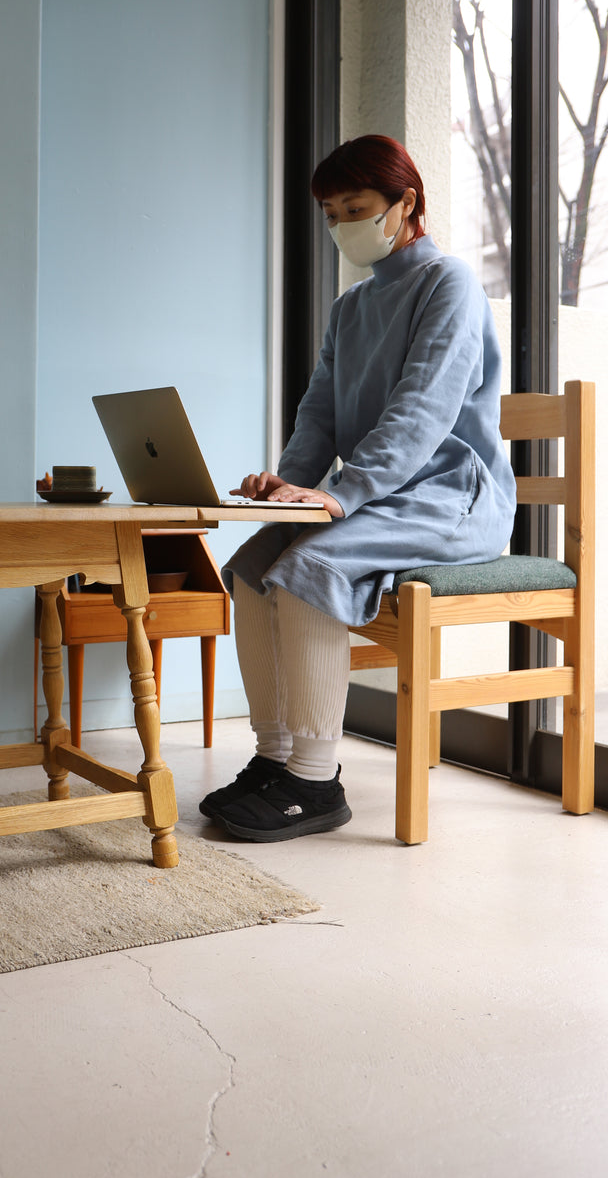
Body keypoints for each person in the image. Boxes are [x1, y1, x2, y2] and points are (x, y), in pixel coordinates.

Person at [201, 133, 517, 842]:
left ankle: (313, 782)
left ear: (405, 204)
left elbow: (423, 410)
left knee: (310, 564)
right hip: (382, 494)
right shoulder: (350, 309)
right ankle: (273, 757)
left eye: (356, 206)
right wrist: (289, 483)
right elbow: (319, 413)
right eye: (331, 210)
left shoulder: (449, 284)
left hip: (453, 496)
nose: (342, 222)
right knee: (251, 566)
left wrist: (342, 496)